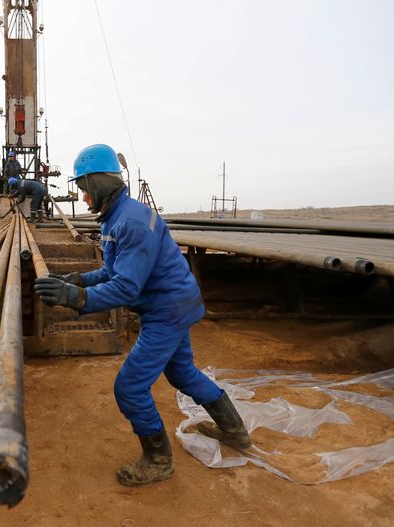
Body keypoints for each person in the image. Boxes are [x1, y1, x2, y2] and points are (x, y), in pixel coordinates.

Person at [33, 144, 251, 487]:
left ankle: (158, 460)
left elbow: (126, 288)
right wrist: (76, 280)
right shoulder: (117, 216)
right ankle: (236, 432)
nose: (83, 197)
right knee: (183, 374)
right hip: (173, 302)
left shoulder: (131, 222)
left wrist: (77, 299)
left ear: (100, 183)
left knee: (130, 388)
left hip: (167, 309)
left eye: (84, 188)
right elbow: (112, 271)